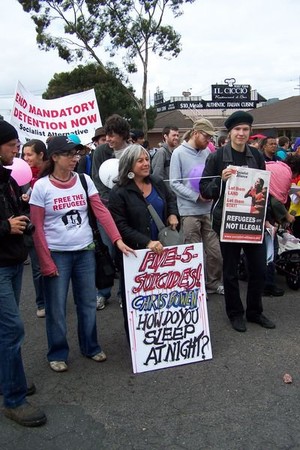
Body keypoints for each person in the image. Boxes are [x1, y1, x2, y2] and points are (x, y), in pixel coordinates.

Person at [29, 136, 134, 372]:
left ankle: (90, 346)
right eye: (69, 154)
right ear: (54, 157)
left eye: (76, 154)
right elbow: (36, 228)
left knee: (87, 302)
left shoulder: (85, 181)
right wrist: (45, 261)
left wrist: (117, 240)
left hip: (85, 252)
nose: (75, 158)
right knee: (55, 308)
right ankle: (57, 353)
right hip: (57, 254)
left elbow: (101, 212)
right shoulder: (41, 186)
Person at [200, 111, 275, 332]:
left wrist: (267, 217)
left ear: (250, 132)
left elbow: (265, 188)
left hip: (252, 222)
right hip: (228, 222)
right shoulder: (216, 157)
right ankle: (235, 313)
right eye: (237, 129)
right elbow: (204, 189)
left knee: (259, 269)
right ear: (230, 132)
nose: (241, 133)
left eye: (245, 129)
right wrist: (220, 182)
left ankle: (254, 311)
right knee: (231, 271)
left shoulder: (256, 156)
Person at [0, 120, 46, 427]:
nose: (18, 149)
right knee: (12, 329)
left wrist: (24, 221)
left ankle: (9, 378)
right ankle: (14, 398)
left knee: (6, 329)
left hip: (13, 261)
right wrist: (5, 227)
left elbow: (18, 211)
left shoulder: (8, 180)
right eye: (12, 144)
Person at [108, 144, 179, 339]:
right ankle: (138, 340)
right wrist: (146, 242)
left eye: (146, 159)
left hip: (162, 250)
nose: (146, 163)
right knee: (138, 299)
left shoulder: (157, 181)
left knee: (163, 294)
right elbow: (120, 226)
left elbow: (171, 198)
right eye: (140, 160)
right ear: (128, 165)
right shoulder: (118, 192)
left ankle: (163, 334)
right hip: (135, 254)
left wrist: (172, 214)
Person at [169, 118, 224, 295]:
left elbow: (212, 178)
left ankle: (212, 284)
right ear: (195, 133)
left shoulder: (207, 152)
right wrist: (195, 196)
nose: (209, 140)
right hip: (189, 211)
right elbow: (174, 183)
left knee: (215, 252)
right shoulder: (178, 153)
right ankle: (195, 286)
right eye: (206, 136)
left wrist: (211, 192)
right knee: (193, 252)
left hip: (208, 209)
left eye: (210, 137)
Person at [92, 115, 131, 310]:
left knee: (124, 253)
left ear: (123, 135)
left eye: (112, 135)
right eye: (106, 135)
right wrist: (111, 201)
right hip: (106, 210)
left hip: (128, 212)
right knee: (106, 253)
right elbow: (97, 181)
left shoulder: (134, 152)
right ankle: (103, 292)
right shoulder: (100, 152)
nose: (108, 139)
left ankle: (124, 293)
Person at [22, 139, 47, 317]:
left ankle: (55, 298)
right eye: (24, 154)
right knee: (38, 268)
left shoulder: (52, 174)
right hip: (32, 227)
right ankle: (41, 303)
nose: (25, 158)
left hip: (51, 227)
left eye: (29, 154)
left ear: (41, 155)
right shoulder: (20, 175)